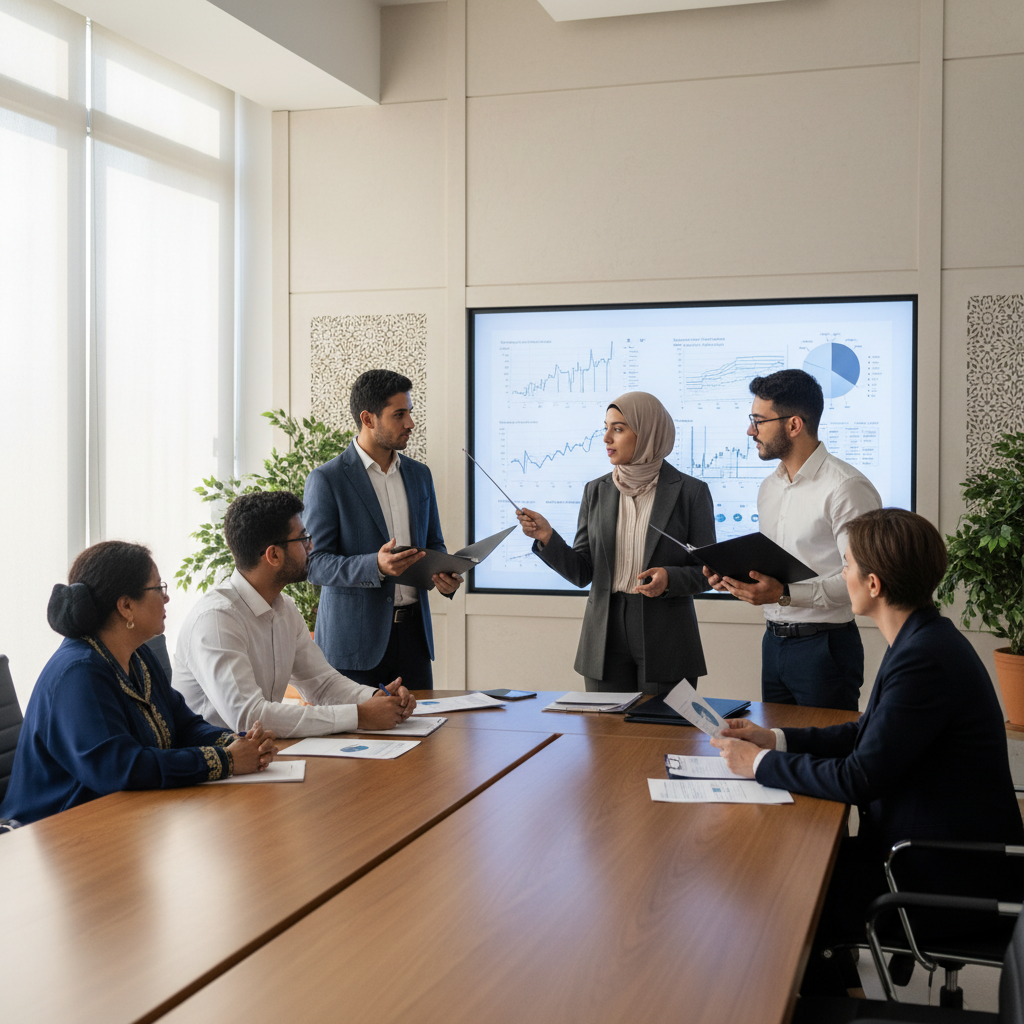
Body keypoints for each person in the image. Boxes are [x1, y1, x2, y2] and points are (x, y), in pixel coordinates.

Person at [711, 508, 1024, 992]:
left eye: (847, 565)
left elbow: (859, 777)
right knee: (795, 870)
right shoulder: (924, 639)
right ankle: (847, 994)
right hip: (923, 852)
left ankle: (839, 1003)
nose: (843, 576)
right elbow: (867, 733)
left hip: (940, 876)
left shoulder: (922, 658)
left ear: (873, 584)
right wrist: (774, 739)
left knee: (787, 893)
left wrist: (758, 765)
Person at [0, 541, 278, 826]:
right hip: (54, 832)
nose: (166, 598)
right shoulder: (80, 673)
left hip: (123, 819)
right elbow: (120, 768)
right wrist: (225, 761)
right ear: (126, 606)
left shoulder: (138, 655)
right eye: (158, 588)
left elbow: (184, 726)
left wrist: (237, 743)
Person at [705, 369, 881, 711]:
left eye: (759, 420)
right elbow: (776, 565)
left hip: (825, 648)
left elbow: (862, 579)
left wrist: (784, 594)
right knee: (781, 753)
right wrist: (732, 577)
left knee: (826, 758)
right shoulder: (769, 487)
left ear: (794, 425)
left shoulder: (846, 488)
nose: (750, 430)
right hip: (773, 644)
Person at [516, 391, 715, 694]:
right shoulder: (595, 491)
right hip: (604, 634)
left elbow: (708, 572)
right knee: (605, 737)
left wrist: (669, 578)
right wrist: (547, 538)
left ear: (648, 432)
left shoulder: (691, 492)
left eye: (618, 428)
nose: (606, 437)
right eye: (606, 427)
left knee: (663, 738)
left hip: (667, 635)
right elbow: (582, 573)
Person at [175, 490, 415, 736]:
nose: (311, 546)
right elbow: (249, 718)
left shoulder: (284, 607)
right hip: (213, 765)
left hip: (259, 758)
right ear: (274, 555)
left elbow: (322, 684)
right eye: (303, 539)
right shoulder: (217, 619)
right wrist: (360, 715)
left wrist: (376, 698)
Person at [303, 369, 461, 690]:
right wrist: (375, 565)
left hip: (414, 640)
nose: (410, 424)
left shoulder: (420, 475)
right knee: (359, 740)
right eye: (399, 415)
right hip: (355, 649)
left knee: (424, 735)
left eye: (410, 413)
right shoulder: (327, 479)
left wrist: (444, 577)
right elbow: (314, 564)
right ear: (368, 418)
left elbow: (434, 543)